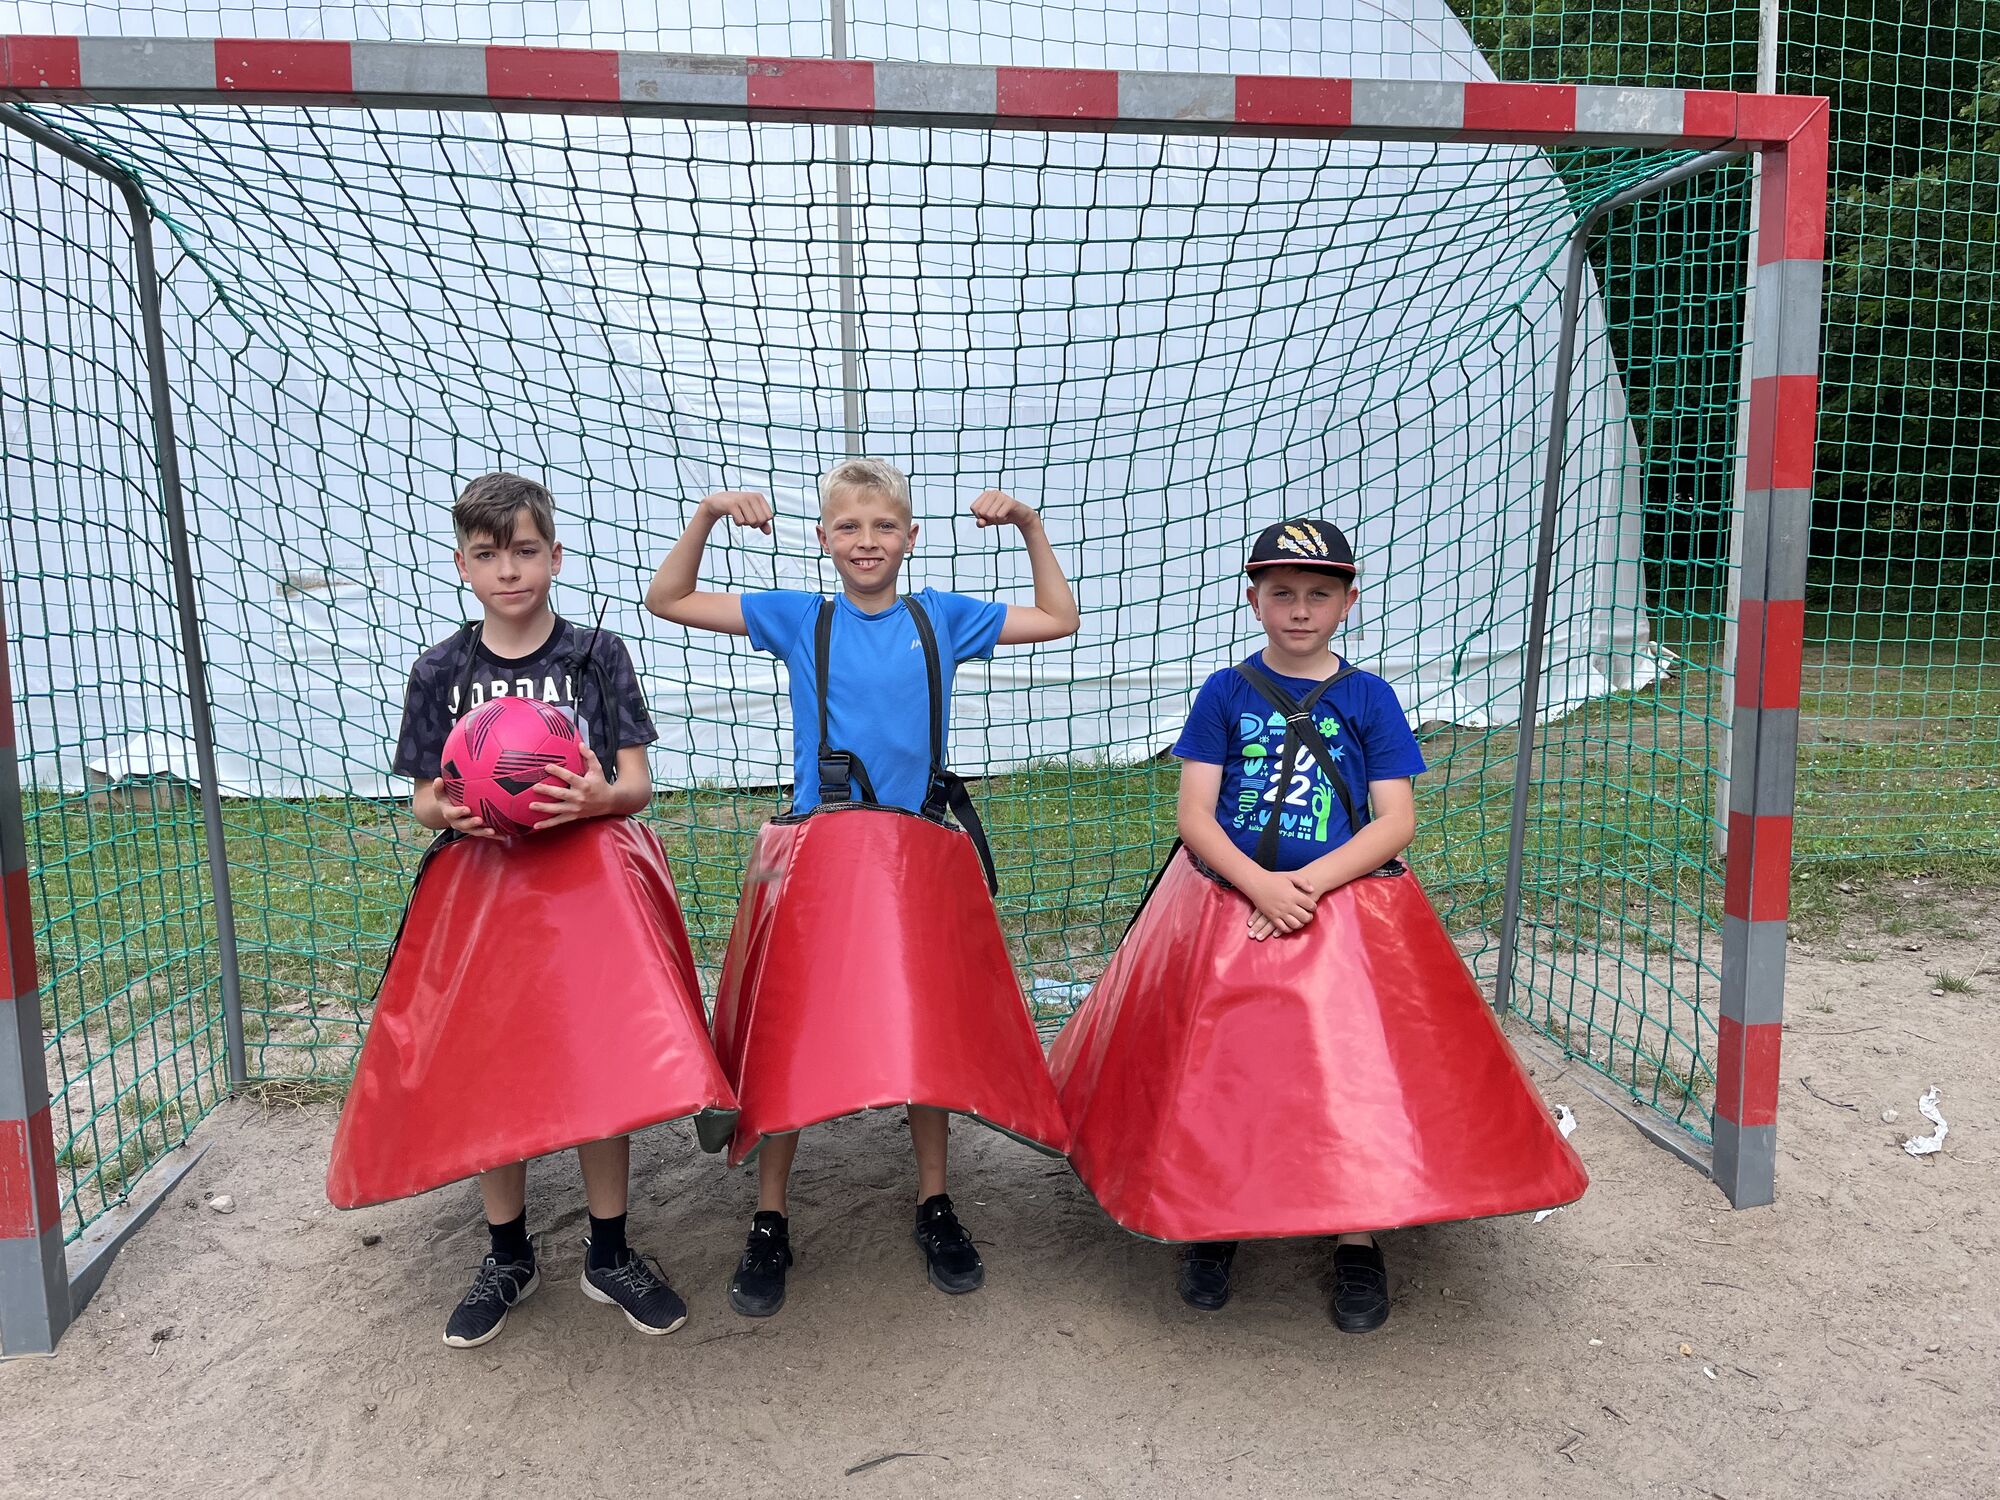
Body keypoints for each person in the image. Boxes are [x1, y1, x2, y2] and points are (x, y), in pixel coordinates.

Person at [1047, 517, 1586, 1332]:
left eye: (1318, 595)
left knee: (1350, 1077)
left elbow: (1394, 820)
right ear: (1255, 601)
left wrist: (1305, 888)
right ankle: (1214, 1219)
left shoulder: (1370, 698)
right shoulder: (1225, 692)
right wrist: (1259, 887)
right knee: (1226, 1071)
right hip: (1228, 906)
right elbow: (1195, 814)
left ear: (1347, 603)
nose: (1300, 610)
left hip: (1342, 913)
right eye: (1283, 593)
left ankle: (1357, 1237)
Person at [645, 457, 1079, 1317]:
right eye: (849, 527)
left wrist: (1030, 526)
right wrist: (707, 515)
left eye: (883, 527)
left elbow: (1060, 618)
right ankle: (770, 1217)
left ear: (910, 538)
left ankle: (935, 1202)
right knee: (793, 1029)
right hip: (823, 854)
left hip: (914, 855)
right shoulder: (799, 618)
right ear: (824, 540)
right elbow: (668, 599)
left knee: (924, 1029)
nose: (867, 541)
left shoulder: (940, 617)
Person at [327, 471, 738, 1349]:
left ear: (554, 555)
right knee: (493, 1065)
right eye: (487, 555)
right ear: (462, 567)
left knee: (597, 1061)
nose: (507, 570)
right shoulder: (441, 671)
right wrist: (452, 812)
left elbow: (635, 784)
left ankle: (609, 1252)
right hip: (483, 897)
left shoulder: (596, 656)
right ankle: (507, 1254)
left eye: (523, 551)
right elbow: (424, 799)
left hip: (587, 893)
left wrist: (597, 798)